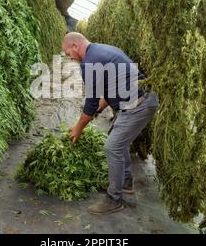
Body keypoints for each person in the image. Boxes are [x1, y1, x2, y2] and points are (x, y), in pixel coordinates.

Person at [62, 32, 159, 215]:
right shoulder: (102, 50)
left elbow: (90, 103)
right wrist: (98, 110)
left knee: (112, 147)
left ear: (75, 46)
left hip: (138, 104)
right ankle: (126, 181)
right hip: (136, 102)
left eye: (68, 54)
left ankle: (114, 199)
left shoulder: (89, 63)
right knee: (116, 139)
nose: (70, 58)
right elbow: (110, 88)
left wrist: (78, 128)